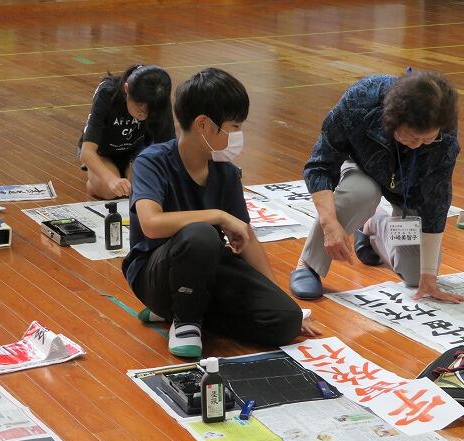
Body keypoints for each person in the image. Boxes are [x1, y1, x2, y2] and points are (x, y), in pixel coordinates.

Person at [122, 68, 320, 358]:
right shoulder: (152, 162)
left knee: (285, 320)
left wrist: (275, 295)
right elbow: (151, 224)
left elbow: (246, 237)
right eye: (234, 126)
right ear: (203, 124)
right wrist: (218, 215)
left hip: (204, 272)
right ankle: (186, 321)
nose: (238, 135)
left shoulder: (225, 172)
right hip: (155, 275)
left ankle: (187, 311)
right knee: (201, 235)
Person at [289, 70, 464, 304]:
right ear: (393, 118)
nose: (417, 146)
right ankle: (308, 264)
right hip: (364, 168)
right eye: (412, 137)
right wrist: (329, 224)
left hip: (409, 189)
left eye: (426, 140)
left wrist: (428, 276)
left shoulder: (444, 134)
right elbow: (319, 166)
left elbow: (437, 200)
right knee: (361, 195)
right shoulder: (361, 101)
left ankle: (373, 225)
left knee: (416, 276)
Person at [78, 64, 175, 199]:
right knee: (109, 190)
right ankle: (93, 184)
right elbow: (87, 152)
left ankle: (125, 172)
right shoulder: (107, 93)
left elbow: (168, 149)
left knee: (138, 190)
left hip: (138, 152)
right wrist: (111, 180)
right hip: (103, 152)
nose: (144, 116)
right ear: (126, 89)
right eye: (140, 109)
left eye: (150, 112)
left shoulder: (159, 100)